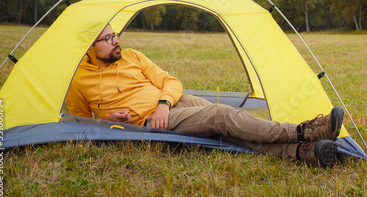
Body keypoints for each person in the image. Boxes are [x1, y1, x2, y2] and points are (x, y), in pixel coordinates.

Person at [66, 25, 345, 168]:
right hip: (149, 124)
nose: (116, 41)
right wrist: (105, 119)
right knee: (221, 116)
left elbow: (170, 82)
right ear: (89, 48)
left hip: (172, 104)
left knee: (227, 127)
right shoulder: (79, 80)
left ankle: (301, 154)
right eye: (107, 38)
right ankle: (303, 132)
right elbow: (78, 122)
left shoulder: (131, 56)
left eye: (115, 34)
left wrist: (164, 102)